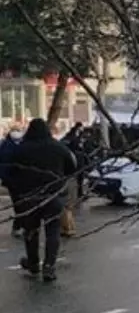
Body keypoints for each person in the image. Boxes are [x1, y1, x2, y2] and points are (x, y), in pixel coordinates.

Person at [8, 118, 76, 281]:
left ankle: (33, 263)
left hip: (29, 196)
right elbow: (71, 167)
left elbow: (11, 171)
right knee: (53, 231)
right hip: (53, 195)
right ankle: (49, 266)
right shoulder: (58, 147)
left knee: (31, 230)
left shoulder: (21, 150)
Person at [59, 122, 85, 237]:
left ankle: (67, 227)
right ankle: (69, 228)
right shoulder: (74, 142)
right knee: (67, 206)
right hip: (70, 176)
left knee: (65, 206)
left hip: (63, 177)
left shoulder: (65, 141)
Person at [0, 125, 23, 238]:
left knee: (21, 204)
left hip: (20, 179)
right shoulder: (6, 145)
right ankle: (18, 227)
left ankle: (19, 226)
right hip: (12, 180)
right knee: (19, 204)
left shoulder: (22, 143)